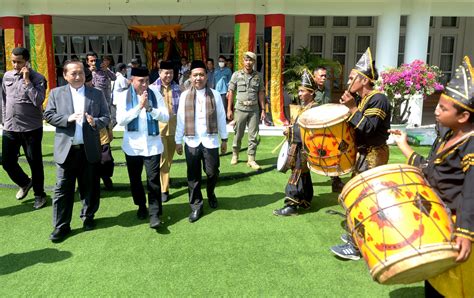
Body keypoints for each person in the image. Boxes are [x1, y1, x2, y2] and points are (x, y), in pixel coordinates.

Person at [390, 56, 473, 297]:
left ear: (463, 116)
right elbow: (430, 168)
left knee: (456, 287)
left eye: (443, 108)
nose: (435, 111)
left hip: (459, 227)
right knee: (436, 280)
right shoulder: (447, 136)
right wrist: (404, 145)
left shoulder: (471, 144)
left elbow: (471, 193)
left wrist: (466, 234)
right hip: (439, 222)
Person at [330, 47, 391, 260]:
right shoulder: (364, 99)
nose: (348, 83)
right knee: (358, 197)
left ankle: (359, 247)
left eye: (351, 78)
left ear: (364, 80)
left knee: (365, 199)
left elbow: (369, 128)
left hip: (374, 154)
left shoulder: (378, 99)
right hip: (363, 154)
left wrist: (353, 109)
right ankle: (358, 237)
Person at [44, 60, 110, 242]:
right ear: (65, 75)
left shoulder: (96, 94)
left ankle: (88, 217)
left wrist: (95, 122)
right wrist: (67, 118)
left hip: (88, 149)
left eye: (80, 72)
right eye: (73, 73)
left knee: (89, 186)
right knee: (62, 190)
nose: (78, 76)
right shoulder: (56, 93)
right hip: (66, 150)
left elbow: (107, 116)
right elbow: (48, 114)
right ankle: (61, 226)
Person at [116, 67, 169, 229]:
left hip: (152, 146)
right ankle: (141, 205)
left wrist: (150, 108)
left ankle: (154, 214)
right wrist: (138, 107)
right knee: (135, 180)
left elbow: (166, 116)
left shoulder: (155, 93)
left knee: (153, 180)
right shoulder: (123, 95)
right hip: (132, 147)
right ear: (132, 80)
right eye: (141, 81)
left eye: (147, 80)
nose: (145, 84)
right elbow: (121, 120)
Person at [175, 60, 228, 223]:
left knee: (212, 172)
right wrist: (178, 140)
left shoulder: (215, 95)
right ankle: (196, 206)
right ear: (190, 77)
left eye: (201, 74)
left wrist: (224, 139)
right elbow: (181, 119)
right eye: (195, 75)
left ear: (206, 76)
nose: (198, 78)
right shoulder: (185, 95)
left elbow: (221, 117)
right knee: (193, 175)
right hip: (191, 141)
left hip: (210, 140)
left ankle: (211, 193)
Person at [1, 47, 47, 209]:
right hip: (10, 127)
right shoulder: (7, 76)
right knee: (6, 161)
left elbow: (38, 100)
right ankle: (25, 182)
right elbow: (3, 99)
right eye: (13, 61)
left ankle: (40, 194)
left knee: (34, 163)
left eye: (19, 62)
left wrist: (27, 81)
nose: (15, 65)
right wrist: (3, 119)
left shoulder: (38, 78)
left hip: (31, 129)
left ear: (27, 61)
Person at [273, 70, 318, 216]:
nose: (299, 94)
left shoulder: (314, 109)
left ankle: (291, 205)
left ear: (311, 92)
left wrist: (290, 132)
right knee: (303, 173)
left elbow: (310, 131)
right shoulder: (306, 107)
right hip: (300, 146)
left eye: (302, 91)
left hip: (305, 148)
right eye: (299, 91)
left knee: (297, 173)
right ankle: (305, 199)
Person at [227, 51, 265, 170]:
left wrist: (263, 109)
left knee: (253, 135)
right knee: (238, 133)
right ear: (243, 61)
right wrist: (229, 109)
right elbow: (231, 93)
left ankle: (251, 159)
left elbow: (261, 93)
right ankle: (235, 154)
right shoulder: (236, 75)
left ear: (254, 62)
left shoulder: (258, 76)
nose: (248, 62)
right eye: (246, 60)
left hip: (254, 109)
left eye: (251, 60)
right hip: (240, 109)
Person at [152, 61, 181, 203]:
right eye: (166, 72)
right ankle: (164, 189)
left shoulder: (178, 88)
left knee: (169, 158)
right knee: (163, 159)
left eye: (171, 73)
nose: (168, 75)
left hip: (174, 128)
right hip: (159, 129)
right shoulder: (152, 88)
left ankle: (164, 178)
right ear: (160, 73)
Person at [313, 66, 344, 193]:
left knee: (332, 152)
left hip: (326, 125)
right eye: (321, 76)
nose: (324, 78)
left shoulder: (327, 89)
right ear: (314, 77)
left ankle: (335, 180)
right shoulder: (310, 90)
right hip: (314, 127)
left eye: (325, 76)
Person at [86, 53, 116, 126]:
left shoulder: (104, 69)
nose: (94, 63)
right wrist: (89, 71)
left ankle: (108, 134)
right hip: (92, 100)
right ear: (87, 62)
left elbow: (114, 78)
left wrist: (106, 70)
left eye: (95, 60)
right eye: (91, 61)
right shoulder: (85, 71)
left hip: (105, 99)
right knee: (93, 120)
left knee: (106, 119)